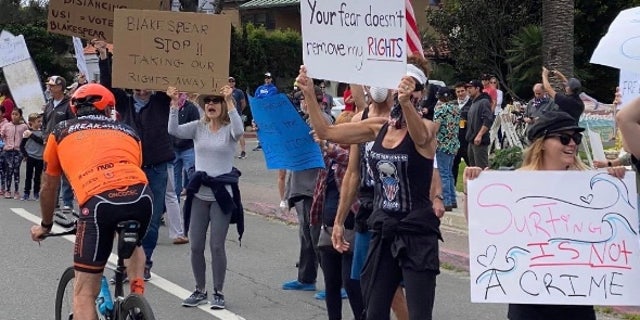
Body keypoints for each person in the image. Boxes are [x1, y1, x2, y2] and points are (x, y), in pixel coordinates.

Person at [301, 54, 442, 319]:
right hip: (383, 228)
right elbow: (328, 133)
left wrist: (404, 102)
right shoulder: (378, 127)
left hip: (417, 232)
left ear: (419, 94)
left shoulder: (428, 128)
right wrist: (309, 93)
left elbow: (420, 136)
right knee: (374, 310)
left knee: (419, 314)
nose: (399, 91)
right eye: (397, 85)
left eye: (408, 86)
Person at [463, 110, 628, 319]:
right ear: (542, 143)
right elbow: (483, 232)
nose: (572, 144)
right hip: (529, 300)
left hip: (577, 300)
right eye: (564, 138)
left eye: (576, 138)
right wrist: (473, 188)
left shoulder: (590, 186)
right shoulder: (516, 183)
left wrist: (617, 180)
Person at [30, 83, 152, 320]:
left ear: (75, 110)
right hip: (141, 197)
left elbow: (48, 185)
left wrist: (45, 225)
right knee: (132, 239)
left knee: (84, 293)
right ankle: (138, 301)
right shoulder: (128, 131)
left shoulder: (61, 131)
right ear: (109, 109)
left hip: (98, 203)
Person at [95, 39, 175, 280]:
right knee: (125, 217)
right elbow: (107, 85)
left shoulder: (161, 101)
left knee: (151, 219)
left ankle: (145, 261)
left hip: (156, 167)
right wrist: (103, 58)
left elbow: (169, 73)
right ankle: (125, 262)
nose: (142, 89)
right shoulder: (124, 102)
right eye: (138, 84)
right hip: (129, 169)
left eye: (146, 84)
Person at [331, 84, 411, 320]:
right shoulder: (361, 118)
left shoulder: (404, 119)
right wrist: (339, 220)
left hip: (398, 208)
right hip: (369, 209)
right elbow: (353, 173)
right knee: (365, 282)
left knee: (392, 287)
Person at [167, 85, 245, 310]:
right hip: (199, 194)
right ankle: (200, 289)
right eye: (208, 101)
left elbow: (239, 130)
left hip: (221, 196)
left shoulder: (230, 129)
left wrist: (229, 100)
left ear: (222, 106)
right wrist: (174, 103)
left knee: (217, 246)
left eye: (216, 101)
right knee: (195, 246)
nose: (211, 104)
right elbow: (174, 130)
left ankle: (218, 292)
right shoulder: (198, 128)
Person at [311, 111, 364, 319]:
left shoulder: (354, 156)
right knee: (331, 284)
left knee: (351, 283)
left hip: (350, 227)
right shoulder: (328, 158)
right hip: (327, 226)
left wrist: (327, 144)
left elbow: (346, 158)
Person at [281, 85, 333, 293]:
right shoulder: (302, 120)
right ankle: (306, 278)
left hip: (315, 187)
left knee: (316, 237)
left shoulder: (323, 120)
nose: (302, 102)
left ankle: (334, 284)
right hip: (300, 186)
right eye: (300, 98)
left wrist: (321, 142)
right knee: (305, 237)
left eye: (306, 98)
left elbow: (329, 148)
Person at [43, 75, 78, 211]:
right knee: (51, 173)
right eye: (49, 86)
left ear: (60, 87)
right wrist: (45, 136)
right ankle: (54, 201)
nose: (50, 88)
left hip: (64, 144)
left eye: (52, 86)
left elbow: (73, 123)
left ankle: (67, 202)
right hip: (50, 144)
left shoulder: (69, 105)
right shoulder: (49, 104)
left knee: (65, 174)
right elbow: (45, 123)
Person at [433, 87, 460, 211]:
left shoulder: (441, 110)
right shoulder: (456, 109)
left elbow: (436, 127)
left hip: (442, 143)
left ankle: (446, 201)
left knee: (443, 173)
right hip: (453, 143)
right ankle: (453, 199)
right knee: (449, 173)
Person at [465, 80, 493, 168]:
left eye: (470, 88)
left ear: (477, 89)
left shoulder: (484, 102)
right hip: (471, 140)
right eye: (467, 88)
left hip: (480, 141)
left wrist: (480, 135)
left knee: (481, 168)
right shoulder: (473, 102)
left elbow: (488, 120)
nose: (468, 90)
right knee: (473, 169)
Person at [1, 108, 28, 199]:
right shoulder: (7, 126)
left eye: (16, 114)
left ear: (20, 116)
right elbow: (1, 135)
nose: (14, 116)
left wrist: (25, 153)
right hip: (7, 151)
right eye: (12, 114)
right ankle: (8, 190)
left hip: (18, 151)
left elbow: (26, 140)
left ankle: (16, 191)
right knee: (9, 170)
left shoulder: (24, 126)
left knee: (16, 170)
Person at [21, 113, 44, 200]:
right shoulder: (27, 133)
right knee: (28, 176)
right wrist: (25, 155)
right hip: (30, 157)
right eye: (38, 121)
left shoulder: (42, 132)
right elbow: (22, 145)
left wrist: (32, 135)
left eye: (40, 121)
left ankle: (36, 192)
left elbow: (42, 141)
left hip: (40, 157)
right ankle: (26, 193)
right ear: (31, 123)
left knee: (38, 177)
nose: (40, 123)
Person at [452, 82, 471, 185]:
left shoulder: (472, 103)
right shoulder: (453, 104)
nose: (460, 93)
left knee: (471, 165)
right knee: (453, 166)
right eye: (458, 91)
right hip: (455, 140)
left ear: (466, 91)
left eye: (462, 91)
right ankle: (453, 193)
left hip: (467, 139)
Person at [229, 77, 248, 159]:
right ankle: (229, 152)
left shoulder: (239, 92)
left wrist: (239, 111)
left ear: (235, 83)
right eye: (229, 81)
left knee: (240, 133)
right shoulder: (224, 91)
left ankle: (243, 151)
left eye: (232, 81)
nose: (231, 83)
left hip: (237, 114)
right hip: (227, 115)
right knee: (227, 133)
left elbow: (243, 103)